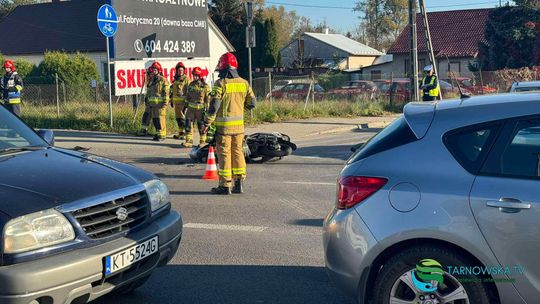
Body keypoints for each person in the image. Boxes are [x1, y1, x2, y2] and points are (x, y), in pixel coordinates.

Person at [204, 53, 256, 195]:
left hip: (224, 129)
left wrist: (207, 122)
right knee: (238, 152)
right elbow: (252, 103)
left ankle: (225, 185)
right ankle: (239, 184)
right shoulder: (244, 83)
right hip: (239, 128)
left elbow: (214, 105)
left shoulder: (220, 84)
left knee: (224, 154)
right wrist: (239, 108)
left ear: (223, 68)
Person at [183, 67, 210, 148]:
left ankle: (202, 142)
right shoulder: (191, 85)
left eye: (196, 75)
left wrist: (207, 109)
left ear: (200, 76)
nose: (194, 77)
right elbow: (188, 96)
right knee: (188, 125)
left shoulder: (205, 86)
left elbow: (207, 99)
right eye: (194, 75)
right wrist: (185, 106)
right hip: (191, 110)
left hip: (200, 110)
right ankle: (189, 141)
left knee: (201, 126)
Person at [146, 61, 170, 141]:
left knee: (161, 120)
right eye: (153, 69)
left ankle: (162, 135)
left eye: (156, 69)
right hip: (153, 105)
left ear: (159, 70)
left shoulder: (163, 80)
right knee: (155, 120)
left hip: (160, 105)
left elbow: (166, 93)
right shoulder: (151, 80)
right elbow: (149, 92)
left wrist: (165, 103)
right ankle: (158, 133)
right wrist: (148, 102)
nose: (154, 71)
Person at [171, 62, 190, 140]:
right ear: (177, 71)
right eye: (179, 70)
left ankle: (186, 134)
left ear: (184, 71)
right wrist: (171, 100)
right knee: (178, 118)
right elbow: (173, 91)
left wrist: (187, 102)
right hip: (176, 103)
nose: (180, 71)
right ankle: (180, 133)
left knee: (183, 119)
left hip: (183, 103)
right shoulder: (175, 79)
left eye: (182, 70)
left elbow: (189, 91)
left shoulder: (186, 79)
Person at [137, 67, 153, 136]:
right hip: (149, 102)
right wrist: (146, 99)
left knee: (156, 118)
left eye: (151, 74)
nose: (149, 75)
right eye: (149, 74)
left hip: (156, 104)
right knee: (146, 115)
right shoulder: (149, 81)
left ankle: (159, 132)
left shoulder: (158, 81)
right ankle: (144, 130)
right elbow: (148, 92)